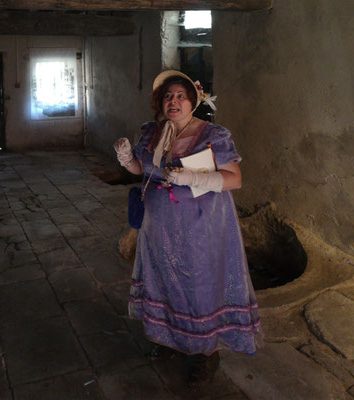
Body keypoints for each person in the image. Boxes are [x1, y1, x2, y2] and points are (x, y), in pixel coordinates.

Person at [114, 70, 262, 386]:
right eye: (168, 96)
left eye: (181, 95)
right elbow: (144, 169)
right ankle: (169, 340)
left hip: (200, 230)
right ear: (160, 102)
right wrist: (126, 159)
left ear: (193, 101)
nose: (174, 101)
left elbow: (234, 179)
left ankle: (205, 354)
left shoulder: (211, 135)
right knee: (164, 282)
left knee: (198, 288)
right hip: (159, 229)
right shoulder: (153, 132)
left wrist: (194, 177)